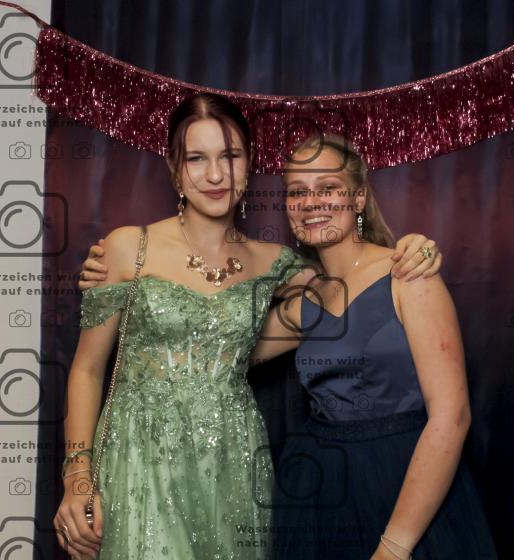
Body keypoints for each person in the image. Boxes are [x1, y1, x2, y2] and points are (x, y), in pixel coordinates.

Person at [60, 93, 443, 560]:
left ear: (249, 164)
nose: (216, 175)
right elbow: (86, 371)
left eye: (230, 156)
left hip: (232, 462)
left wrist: (416, 248)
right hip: (138, 460)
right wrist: (77, 480)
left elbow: (353, 287)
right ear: (174, 168)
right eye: (197, 158)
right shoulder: (127, 250)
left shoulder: (276, 264)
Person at [248, 134, 498, 559]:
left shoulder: (408, 273)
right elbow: (222, 350)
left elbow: (452, 417)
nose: (311, 202)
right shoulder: (306, 303)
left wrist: (394, 547)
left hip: (405, 488)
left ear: (359, 197)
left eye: (328, 187)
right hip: (321, 492)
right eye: (297, 192)